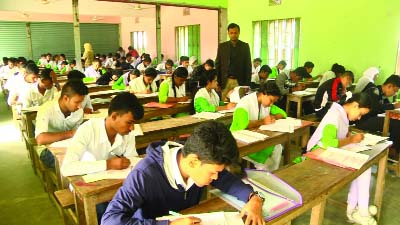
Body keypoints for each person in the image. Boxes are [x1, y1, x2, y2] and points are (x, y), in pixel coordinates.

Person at [101, 121, 265, 225]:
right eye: (213, 173)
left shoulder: (202, 158)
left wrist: (254, 198)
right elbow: (110, 220)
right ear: (193, 161)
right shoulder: (144, 175)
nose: (216, 178)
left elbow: (228, 181)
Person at [306, 93, 376, 225]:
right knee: (362, 166)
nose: (359, 117)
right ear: (355, 105)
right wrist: (350, 139)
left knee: (363, 166)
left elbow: (338, 134)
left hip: (326, 153)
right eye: (360, 113)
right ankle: (359, 212)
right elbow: (328, 143)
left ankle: (356, 210)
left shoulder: (341, 113)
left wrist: (348, 135)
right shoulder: (335, 115)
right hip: (317, 155)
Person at [61, 92, 144, 176]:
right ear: (114, 116)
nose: (132, 128)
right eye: (129, 123)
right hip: (87, 183)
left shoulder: (127, 133)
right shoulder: (88, 129)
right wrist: (108, 164)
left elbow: (132, 160)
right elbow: (67, 168)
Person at [230, 82, 286, 171]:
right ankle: (265, 174)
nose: (271, 104)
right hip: (243, 141)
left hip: (257, 137)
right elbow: (241, 125)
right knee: (266, 164)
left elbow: (283, 113)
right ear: (264, 93)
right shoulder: (245, 103)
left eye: (273, 102)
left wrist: (274, 117)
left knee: (278, 147)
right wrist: (263, 121)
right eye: (271, 100)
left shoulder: (266, 104)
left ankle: (272, 173)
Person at [35, 79, 88, 168]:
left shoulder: (78, 111)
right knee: (70, 164)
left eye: (81, 102)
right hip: (48, 151)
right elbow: (40, 139)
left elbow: (78, 136)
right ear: (66, 98)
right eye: (77, 102)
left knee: (90, 158)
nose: (80, 106)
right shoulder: (46, 109)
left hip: (71, 148)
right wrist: (71, 133)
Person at [356, 74, 400, 160]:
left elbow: (385, 107)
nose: (394, 93)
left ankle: (393, 148)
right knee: (396, 124)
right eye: (395, 91)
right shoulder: (374, 91)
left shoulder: (382, 95)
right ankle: (393, 151)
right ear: (389, 86)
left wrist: (393, 106)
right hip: (363, 121)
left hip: (371, 119)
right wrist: (394, 106)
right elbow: (377, 108)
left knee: (395, 123)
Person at [215, 23, 252, 101]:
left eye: (235, 33)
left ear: (239, 33)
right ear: (228, 33)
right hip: (225, 81)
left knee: (239, 102)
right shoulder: (222, 46)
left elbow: (248, 66)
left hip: (240, 81)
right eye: (231, 33)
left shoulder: (245, 46)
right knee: (223, 101)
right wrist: (217, 82)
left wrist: (247, 85)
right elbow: (218, 65)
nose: (233, 35)